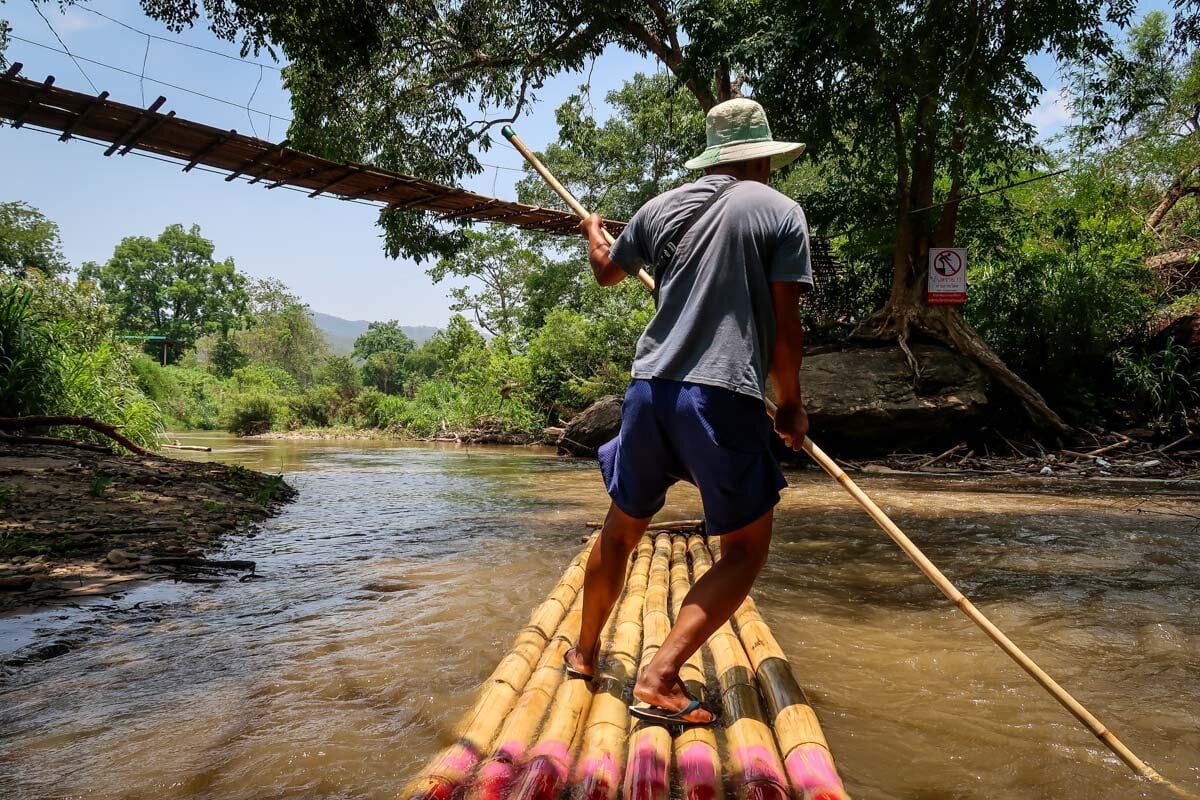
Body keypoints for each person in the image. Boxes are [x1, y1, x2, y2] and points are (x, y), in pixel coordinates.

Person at [564, 97, 813, 726]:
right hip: (722, 394)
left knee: (621, 530)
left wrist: (596, 234)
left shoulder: (660, 207)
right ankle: (662, 676)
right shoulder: (781, 213)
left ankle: (585, 655)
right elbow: (786, 329)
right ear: (761, 155)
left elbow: (606, 274)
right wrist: (790, 409)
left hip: (650, 389)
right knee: (745, 549)